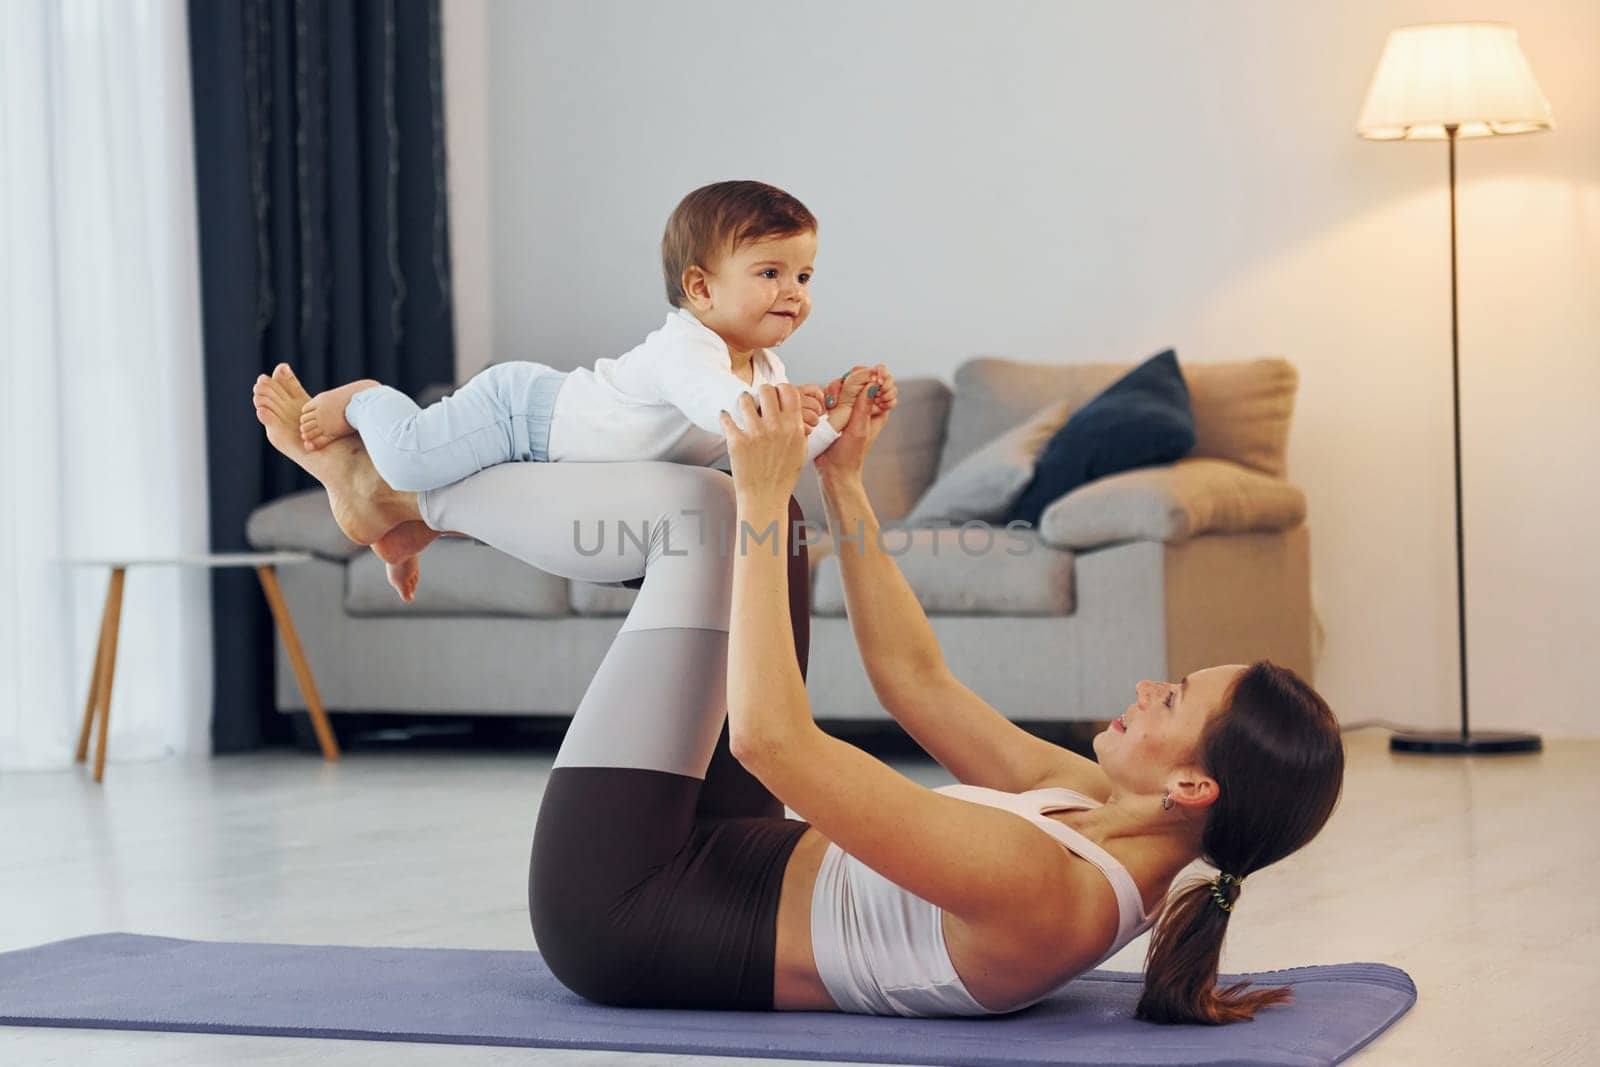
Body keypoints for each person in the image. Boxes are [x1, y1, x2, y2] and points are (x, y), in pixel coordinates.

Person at [251, 357, 1346, 1026]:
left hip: (630, 906)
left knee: (708, 513)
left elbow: (776, 742)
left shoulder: (1042, 883)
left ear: (1194, 781)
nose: (1150, 686)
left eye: (1175, 698)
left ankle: (404, 498)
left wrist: (765, 495)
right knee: (762, 537)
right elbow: (915, 680)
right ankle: (397, 505)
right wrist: (837, 484)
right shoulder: (1100, 813)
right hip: (727, 851)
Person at [287, 179, 896, 601]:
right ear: (701, 289)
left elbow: (782, 455)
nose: (794, 291)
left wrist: (836, 419)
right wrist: (780, 413)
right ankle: (367, 398)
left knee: (471, 500)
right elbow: (721, 411)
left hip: (558, 463)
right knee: (407, 458)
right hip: (520, 413)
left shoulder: (765, 370)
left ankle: (407, 532)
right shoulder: (685, 348)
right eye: (771, 273)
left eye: (804, 275)